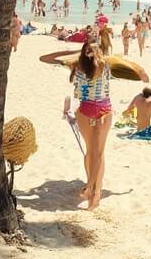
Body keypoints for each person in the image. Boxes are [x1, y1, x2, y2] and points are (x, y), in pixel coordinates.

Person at [47, 39, 113, 210]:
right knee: (90, 151)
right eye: (86, 50)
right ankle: (92, 187)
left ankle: (95, 189)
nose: (88, 53)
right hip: (85, 109)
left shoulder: (104, 64)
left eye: (92, 50)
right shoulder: (76, 65)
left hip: (103, 109)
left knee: (98, 152)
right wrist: (70, 52)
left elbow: (133, 68)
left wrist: (142, 74)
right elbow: (45, 58)